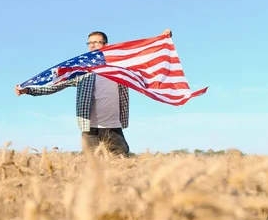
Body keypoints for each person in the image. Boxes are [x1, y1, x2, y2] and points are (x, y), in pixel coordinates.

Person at [15, 29, 172, 156]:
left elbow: (142, 59)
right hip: (90, 130)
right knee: (92, 170)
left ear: (105, 45)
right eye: (90, 43)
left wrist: (161, 41)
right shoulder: (81, 71)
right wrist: (29, 90)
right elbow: (54, 86)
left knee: (123, 165)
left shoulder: (119, 68)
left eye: (97, 42)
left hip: (114, 128)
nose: (92, 45)